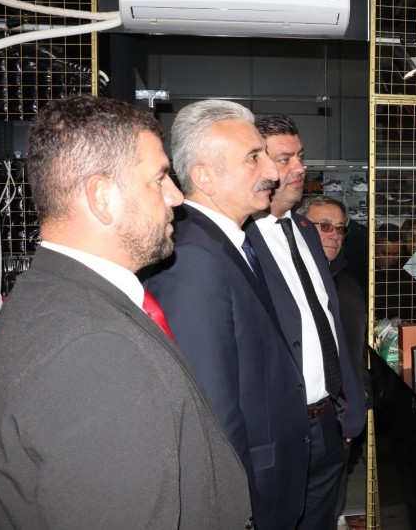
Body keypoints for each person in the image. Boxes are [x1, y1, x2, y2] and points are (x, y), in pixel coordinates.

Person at [0, 95, 252, 529]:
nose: (176, 196)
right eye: (159, 179)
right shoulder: (93, 348)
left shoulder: (51, 294)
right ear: (102, 197)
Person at [143, 99, 300, 530]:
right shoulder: (195, 257)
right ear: (204, 176)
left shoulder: (224, 241)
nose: (272, 173)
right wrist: (235, 507)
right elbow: (211, 406)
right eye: (254, 158)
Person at [246, 114, 365, 530]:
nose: (300, 168)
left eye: (301, 156)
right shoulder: (240, 241)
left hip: (329, 424)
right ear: (255, 163)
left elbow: (327, 324)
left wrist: (349, 407)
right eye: (286, 159)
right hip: (278, 432)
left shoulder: (306, 232)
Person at [297, 195, 370, 521]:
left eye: (340, 229)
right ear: (300, 227)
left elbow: (355, 352)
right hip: (300, 422)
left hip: (338, 418)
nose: (334, 235)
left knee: (327, 508)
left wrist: (358, 401)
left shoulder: (345, 282)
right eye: (324, 226)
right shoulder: (291, 280)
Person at [373, 223, 416, 322]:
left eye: (395, 254)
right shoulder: (363, 269)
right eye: (384, 253)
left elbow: (414, 305)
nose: (389, 259)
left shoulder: (408, 269)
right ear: (373, 246)